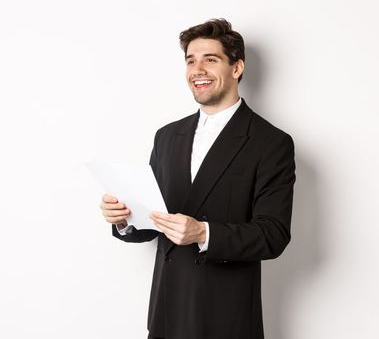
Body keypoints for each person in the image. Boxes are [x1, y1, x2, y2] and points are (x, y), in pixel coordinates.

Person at [99, 19, 295, 339]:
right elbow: (152, 220)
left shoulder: (270, 143)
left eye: (210, 59)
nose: (197, 69)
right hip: (166, 313)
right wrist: (124, 218)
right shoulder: (167, 137)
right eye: (191, 60)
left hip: (225, 318)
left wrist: (203, 233)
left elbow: (273, 234)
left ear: (237, 68)